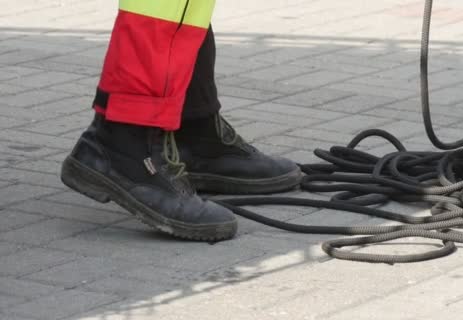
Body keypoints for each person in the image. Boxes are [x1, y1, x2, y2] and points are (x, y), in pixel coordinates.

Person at [60, 1, 301, 241]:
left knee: (181, 7)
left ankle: (192, 132)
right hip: (129, 127)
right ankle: (125, 141)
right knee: (158, 8)